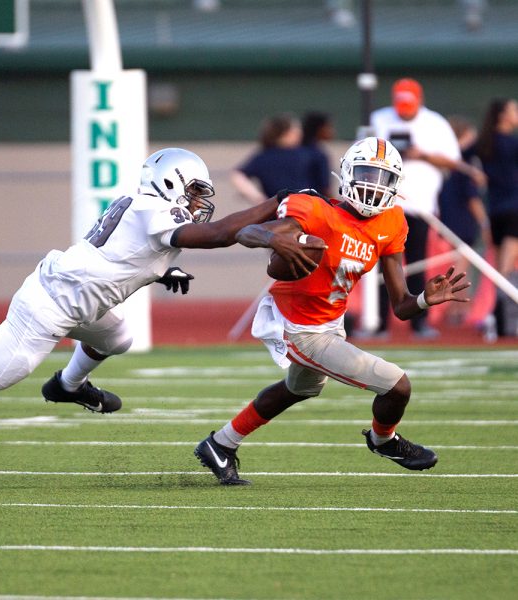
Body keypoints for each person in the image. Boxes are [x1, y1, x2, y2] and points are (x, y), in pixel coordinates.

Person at [0, 148, 321, 482]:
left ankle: (68, 385)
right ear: (168, 184)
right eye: (193, 193)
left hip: (81, 301)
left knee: (117, 337)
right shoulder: (151, 207)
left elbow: (118, 257)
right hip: (48, 308)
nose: (198, 204)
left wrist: (160, 272)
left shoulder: (141, 207)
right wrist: (274, 204)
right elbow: (211, 237)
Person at [193, 137, 470, 486]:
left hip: (330, 320)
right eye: (367, 173)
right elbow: (248, 231)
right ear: (348, 173)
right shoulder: (316, 210)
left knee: (299, 389)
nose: (373, 185)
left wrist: (424, 301)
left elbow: (400, 306)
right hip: (299, 326)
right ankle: (383, 440)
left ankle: (220, 444)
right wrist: (272, 239)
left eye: (383, 178)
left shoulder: (392, 222)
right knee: (397, 386)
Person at [369, 78, 484, 339]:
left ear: (419, 101)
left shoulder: (434, 123)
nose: (404, 111)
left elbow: (452, 161)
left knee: (417, 264)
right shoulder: (379, 119)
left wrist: (422, 155)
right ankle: (379, 323)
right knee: (381, 265)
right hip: (384, 205)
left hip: (420, 205)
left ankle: (418, 321)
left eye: (409, 105)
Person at [438, 116, 492, 325]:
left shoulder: (451, 162)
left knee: (460, 264)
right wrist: (485, 223)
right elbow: (472, 199)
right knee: (461, 265)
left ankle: (457, 307)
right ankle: (455, 308)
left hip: (450, 217)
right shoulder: (464, 163)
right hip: (462, 220)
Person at [475, 98, 518, 336]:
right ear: (503, 115)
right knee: (504, 270)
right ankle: (497, 320)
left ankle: (499, 319)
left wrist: (474, 172)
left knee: (502, 268)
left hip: (496, 212)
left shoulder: (484, 143)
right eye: (513, 110)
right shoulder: (511, 144)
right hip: (514, 211)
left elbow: (461, 158)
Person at [230, 113, 315, 205]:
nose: (300, 133)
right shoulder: (306, 154)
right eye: (296, 129)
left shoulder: (262, 156)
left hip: (276, 211)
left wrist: (259, 199)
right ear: (286, 132)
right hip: (305, 209)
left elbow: (237, 175)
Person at [301, 111, 336, 198]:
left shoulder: (297, 151)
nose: (332, 131)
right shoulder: (319, 156)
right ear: (319, 129)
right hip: (314, 203)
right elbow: (325, 188)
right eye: (328, 127)